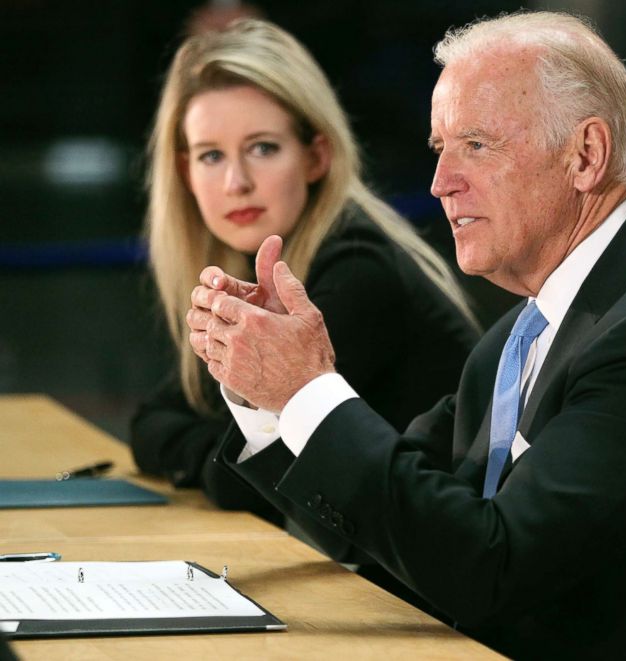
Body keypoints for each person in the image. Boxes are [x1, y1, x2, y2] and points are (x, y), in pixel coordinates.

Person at [188, 11, 626, 659]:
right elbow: (400, 523)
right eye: (439, 147)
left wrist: (309, 388)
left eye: (476, 144)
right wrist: (273, 399)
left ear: (585, 155)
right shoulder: (532, 326)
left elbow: (490, 569)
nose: (440, 182)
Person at [130, 19, 479, 522]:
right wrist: (213, 451)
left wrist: (209, 453)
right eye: (211, 156)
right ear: (185, 172)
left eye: (263, 148)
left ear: (316, 156)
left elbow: (245, 481)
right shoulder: (260, 274)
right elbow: (152, 420)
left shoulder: (357, 270)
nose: (236, 182)